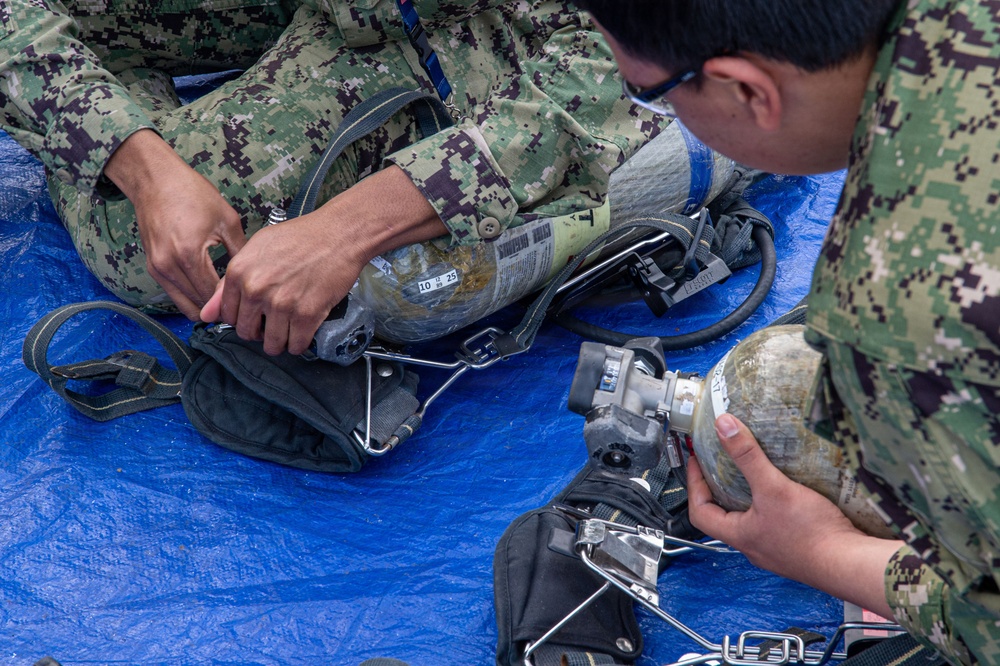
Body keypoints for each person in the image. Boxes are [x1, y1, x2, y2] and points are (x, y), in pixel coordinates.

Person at [570, 1, 1000, 664]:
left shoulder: (901, 307)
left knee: (756, 409)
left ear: (748, 90)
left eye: (649, 95)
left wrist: (824, 554)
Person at [0, 0, 661, 355]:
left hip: (466, 45)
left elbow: (605, 80)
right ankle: (130, 123)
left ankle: (118, 113)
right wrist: (147, 165)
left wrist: (339, 233)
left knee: (153, 251)